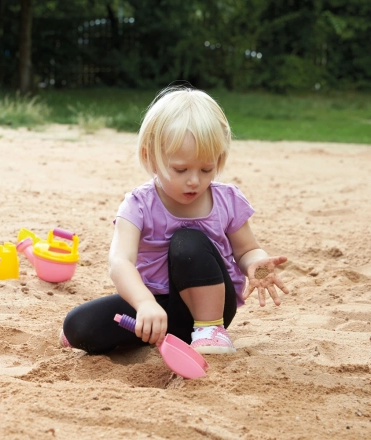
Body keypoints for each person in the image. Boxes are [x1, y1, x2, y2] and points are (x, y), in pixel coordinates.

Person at [60, 86, 290, 355]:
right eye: (181, 169)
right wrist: (145, 304)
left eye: (206, 169)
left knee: (187, 240)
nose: (194, 180)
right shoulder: (138, 205)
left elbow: (247, 250)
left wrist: (257, 266)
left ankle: (210, 332)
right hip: (157, 308)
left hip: (212, 308)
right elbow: (120, 261)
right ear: (150, 157)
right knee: (77, 326)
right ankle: (160, 335)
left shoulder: (226, 200)